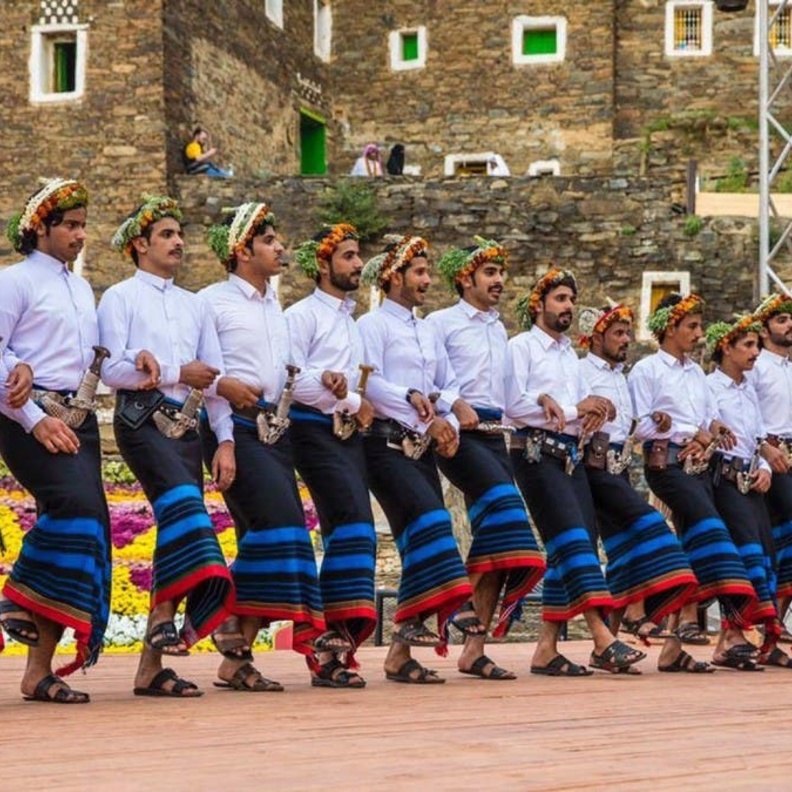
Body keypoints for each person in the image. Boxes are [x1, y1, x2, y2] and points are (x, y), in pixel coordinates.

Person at [98, 195, 235, 697]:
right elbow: (110, 370)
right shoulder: (119, 297)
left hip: (188, 429)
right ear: (139, 245)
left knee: (178, 523)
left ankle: (151, 665)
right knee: (186, 512)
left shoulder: (194, 304)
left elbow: (214, 381)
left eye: (180, 234)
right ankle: (172, 617)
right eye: (166, 235)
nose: (178, 242)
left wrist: (226, 443)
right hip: (141, 424)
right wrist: (175, 372)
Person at [201, 202, 326, 691]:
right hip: (233, 425)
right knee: (280, 527)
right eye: (270, 240)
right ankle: (222, 615)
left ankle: (237, 651)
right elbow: (200, 372)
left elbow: (287, 374)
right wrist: (225, 435)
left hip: (275, 430)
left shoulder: (275, 305)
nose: (280, 248)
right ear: (241, 250)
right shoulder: (211, 302)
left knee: (272, 533)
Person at [0, 178, 111, 703]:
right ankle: (17, 597)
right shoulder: (14, 281)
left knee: (86, 533)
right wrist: (32, 418)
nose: (80, 234)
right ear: (40, 228)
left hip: (80, 417)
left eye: (83, 225)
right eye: (69, 225)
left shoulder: (80, 287)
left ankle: (38, 671)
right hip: (27, 414)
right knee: (76, 508)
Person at [505, 267, 645, 676]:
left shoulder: (569, 354)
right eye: (560, 299)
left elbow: (571, 409)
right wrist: (573, 410)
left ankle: (546, 648)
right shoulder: (522, 347)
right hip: (533, 453)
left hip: (569, 455)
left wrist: (594, 408)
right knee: (574, 543)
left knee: (573, 545)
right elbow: (513, 405)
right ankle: (602, 637)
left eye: (571, 300)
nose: (568, 307)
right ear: (539, 304)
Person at [426, 238, 546, 680]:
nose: (500, 281)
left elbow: (512, 399)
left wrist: (556, 408)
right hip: (460, 438)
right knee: (508, 516)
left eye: (501, 273)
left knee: (500, 547)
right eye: (490, 273)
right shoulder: (440, 323)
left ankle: (473, 649)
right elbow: (428, 378)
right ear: (465, 278)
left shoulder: (498, 330)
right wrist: (456, 405)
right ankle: (458, 603)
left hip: (497, 438)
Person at [357, 234, 474, 684]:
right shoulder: (373, 326)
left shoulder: (427, 330)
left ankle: (400, 652)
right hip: (384, 444)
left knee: (416, 536)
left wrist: (449, 412)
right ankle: (450, 605)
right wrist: (417, 405)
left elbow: (445, 383)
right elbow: (368, 384)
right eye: (419, 272)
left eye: (428, 271)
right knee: (431, 524)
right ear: (393, 276)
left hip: (421, 447)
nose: (427, 280)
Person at [629, 293, 763, 670]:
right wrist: (670, 425)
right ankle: (686, 615)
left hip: (699, 469)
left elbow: (707, 421)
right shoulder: (648, 370)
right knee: (711, 530)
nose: (699, 334)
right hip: (666, 467)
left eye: (700, 326)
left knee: (693, 540)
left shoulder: (695, 374)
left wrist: (713, 429)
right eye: (692, 326)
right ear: (670, 328)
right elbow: (636, 426)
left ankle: (673, 647)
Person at [578, 304, 705, 672]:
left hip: (619, 469)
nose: (625, 340)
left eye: (627, 333)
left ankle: (606, 647)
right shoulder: (582, 371)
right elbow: (576, 416)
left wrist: (655, 422)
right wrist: (585, 414)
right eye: (618, 333)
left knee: (621, 553)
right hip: (592, 468)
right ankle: (636, 612)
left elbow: (634, 430)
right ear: (597, 336)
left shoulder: (622, 376)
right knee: (651, 528)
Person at [285, 223, 379, 688]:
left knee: (354, 530)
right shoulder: (301, 316)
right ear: (323, 265)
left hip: (346, 435)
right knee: (350, 524)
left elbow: (357, 387)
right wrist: (331, 385)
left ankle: (339, 646)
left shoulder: (350, 322)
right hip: (312, 430)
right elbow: (290, 378)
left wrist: (358, 402)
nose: (358, 264)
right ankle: (324, 644)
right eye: (347, 256)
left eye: (357, 255)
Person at [706, 315, 786, 668]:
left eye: (757, 344)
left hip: (752, 479)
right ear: (726, 348)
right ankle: (732, 637)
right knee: (744, 554)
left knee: (764, 552)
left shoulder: (748, 390)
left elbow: (759, 436)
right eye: (748, 346)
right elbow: (708, 430)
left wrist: (766, 467)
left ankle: (746, 638)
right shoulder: (710, 386)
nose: (755, 353)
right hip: (724, 479)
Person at [750, 292, 792, 639]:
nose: (790, 324)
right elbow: (745, 414)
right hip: (770, 458)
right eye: (781, 320)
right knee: (781, 535)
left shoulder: (789, 366)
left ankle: (775, 621)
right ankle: (769, 622)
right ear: (764, 331)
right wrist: (764, 452)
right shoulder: (757, 367)